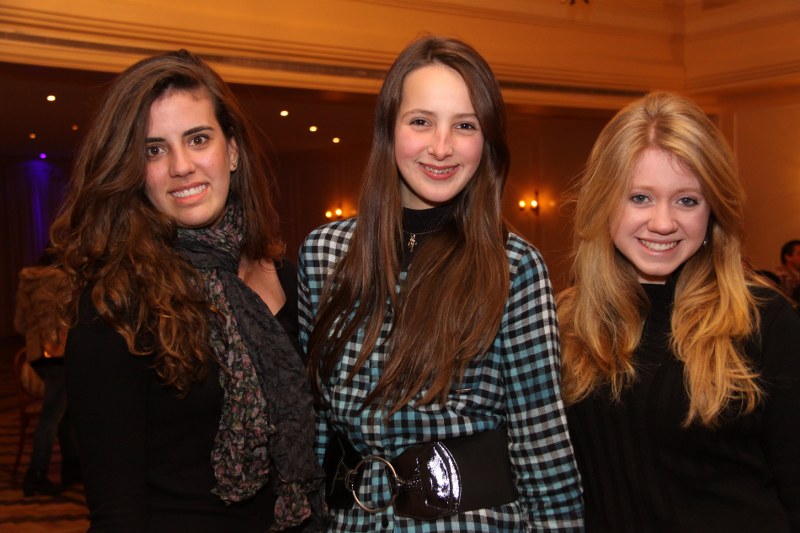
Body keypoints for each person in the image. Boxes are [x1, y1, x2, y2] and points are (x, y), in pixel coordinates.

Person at [298, 36, 584, 531]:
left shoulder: (513, 266)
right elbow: (315, 424)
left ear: (486, 141)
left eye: (465, 125)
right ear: (389, 129)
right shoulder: (325, 255)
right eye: (421, 121)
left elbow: (543, 446)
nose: (441, 147)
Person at [48, 49, 324, 531]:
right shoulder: (116, 303)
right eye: (154, 150)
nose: (181, 166)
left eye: (198, 139)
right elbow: (116, 509)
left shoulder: (289, 277)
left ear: (231, 151)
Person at [558, 91, 800, 532]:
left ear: (713, 212)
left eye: (687, 200)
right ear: (604, 201)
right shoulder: (565, 325)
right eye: (640, 198)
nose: (663, 222)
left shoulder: (763, 321)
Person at [14, 258, 80, 496]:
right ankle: (36, 473)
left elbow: (19, 324)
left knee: (62, 410)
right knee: (52, 414)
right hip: (59, 353)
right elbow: (73, 319)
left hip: (36, 355)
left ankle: (71, 467)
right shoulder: (64, 280)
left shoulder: (27, 282)